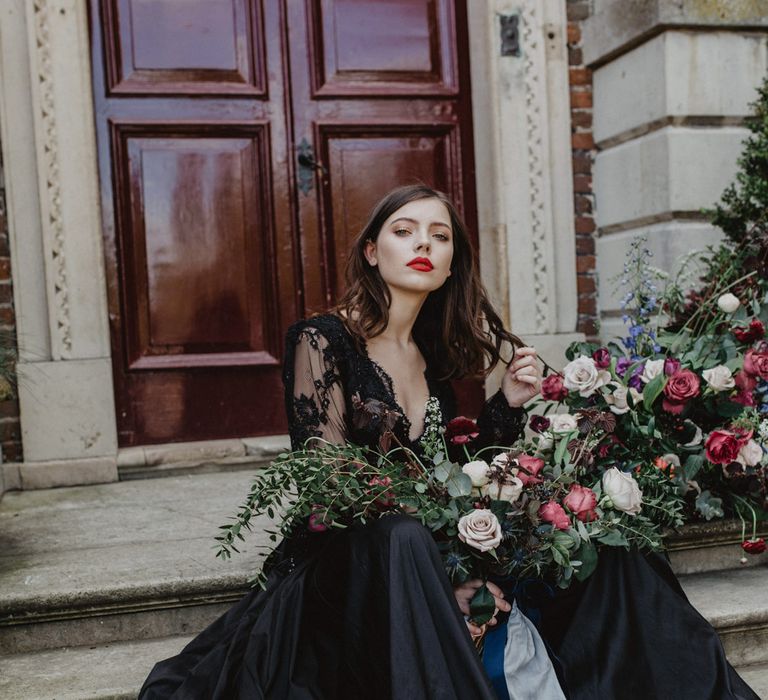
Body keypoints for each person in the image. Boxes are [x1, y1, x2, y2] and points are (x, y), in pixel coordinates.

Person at [140, 184, 757, 699]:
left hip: (419, 550)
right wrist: (443, 566)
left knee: (600, 539)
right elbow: (327, 480)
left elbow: (457, 474)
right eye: (405, 231)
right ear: (371, 251)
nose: (423, 245)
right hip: (346, 567)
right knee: (403, 537)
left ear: (452, 262)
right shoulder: (320, 340)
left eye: (440, 237)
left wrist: (505, 411)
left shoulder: (433, 362)